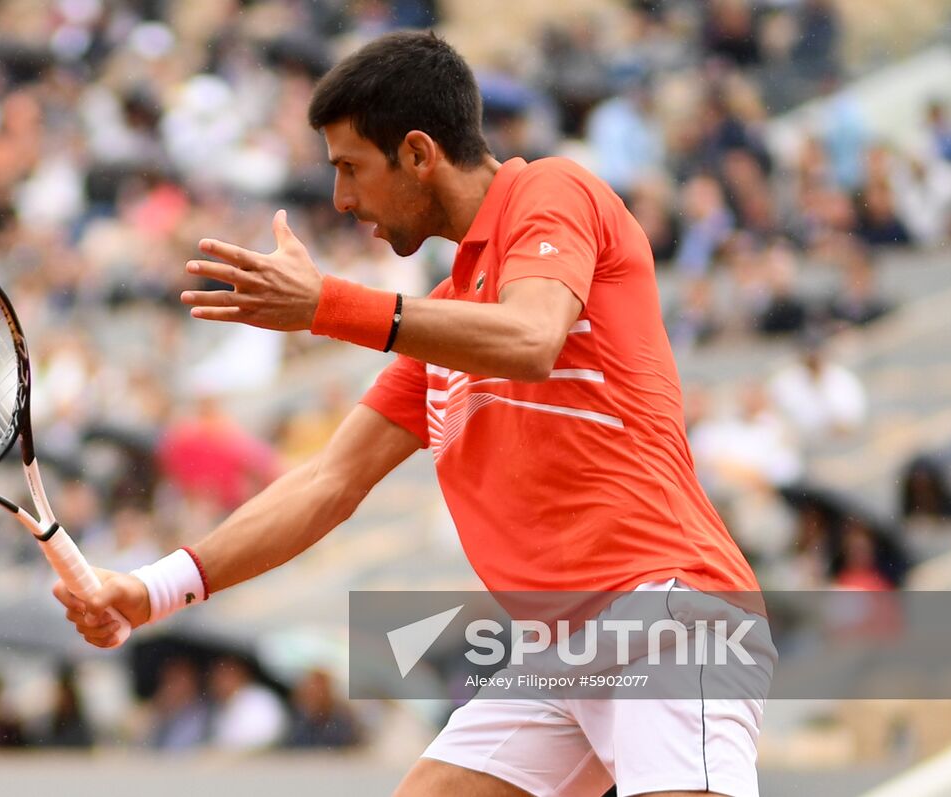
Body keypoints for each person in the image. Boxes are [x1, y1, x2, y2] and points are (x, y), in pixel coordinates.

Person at [57, 31, 763, 797]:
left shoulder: (554, 191)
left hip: (663, 612)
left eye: (351, 168)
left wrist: (328, 305)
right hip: (561, 648)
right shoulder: (447, 318)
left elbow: (530, 338)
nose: (341, 200)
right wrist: (153, 588)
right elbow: (329, 479)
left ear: (420, 154)